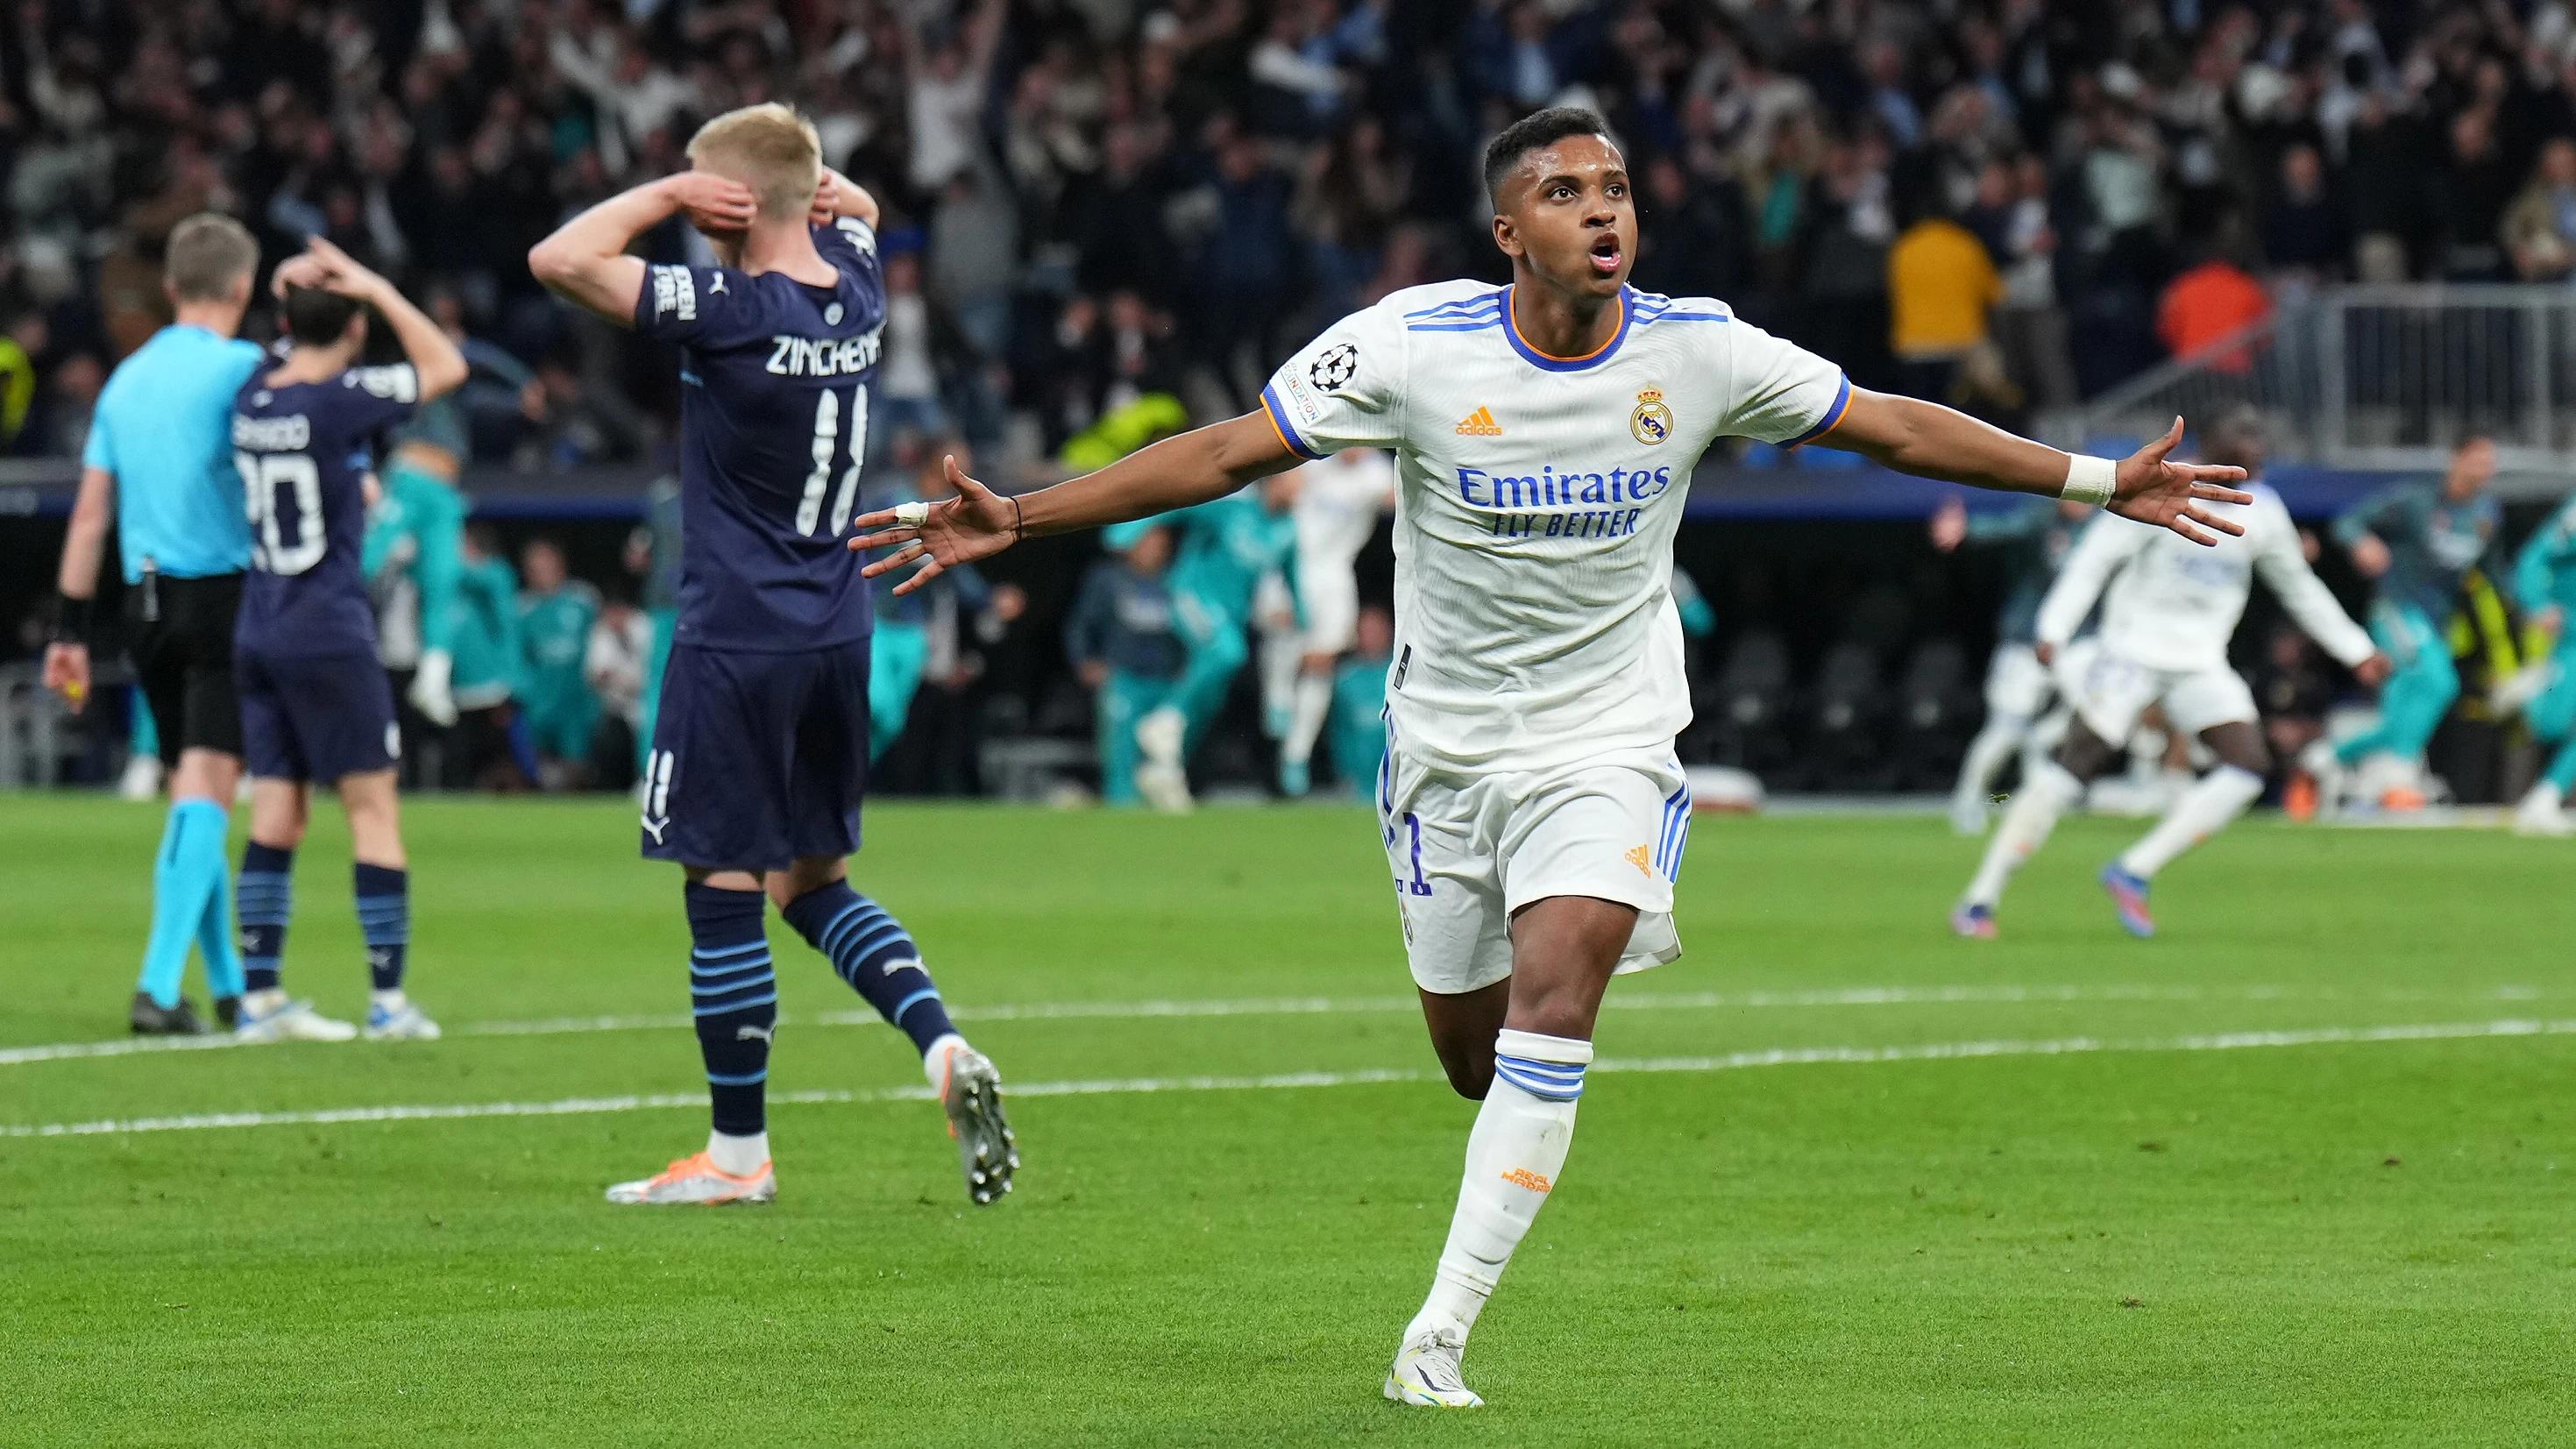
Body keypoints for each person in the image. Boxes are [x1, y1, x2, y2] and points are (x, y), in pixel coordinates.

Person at [852, 107, 2247, 1407]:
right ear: (1506, 231)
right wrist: (1021, 519)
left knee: (1557, 991)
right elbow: (1225, 452)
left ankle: (1436, 1336)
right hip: (1445, 751)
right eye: (1562, 192)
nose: (1601, 211)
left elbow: (1889, 421)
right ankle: (1485, 1149)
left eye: (1616, 189)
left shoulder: (1695, 350)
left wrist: (2090, 479)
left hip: (1610, 739)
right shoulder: (1410, 345)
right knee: (1472, 1056)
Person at [529, 103, 1015, 1208]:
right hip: (837, 626)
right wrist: (815, 189)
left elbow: (559, 259)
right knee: (813, 884)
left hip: (734, 632)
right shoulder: (859, 279)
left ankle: (737, 1156)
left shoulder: (727, 303)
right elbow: (853, 208)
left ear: (726, 204)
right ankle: (941, 1048)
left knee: (724, 886)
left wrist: (660, 195)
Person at [1952, 416, 2389, 938]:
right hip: (2130, 652)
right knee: (2074, 768)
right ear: (2213, 454)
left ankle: (2133, 870)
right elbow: (2094, 560)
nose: (2250, 475)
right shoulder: (2160, 487)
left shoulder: (2265, 514)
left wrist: (2356, 650)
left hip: (2200, 661)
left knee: (2248, 766)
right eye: (2241, 463)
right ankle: (1980, 899)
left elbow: (2300, 588)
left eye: (2256, 464)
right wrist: (2055, 627)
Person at [229, 235, 469, 1043]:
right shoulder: (340, 399)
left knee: (275, 813)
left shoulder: (256, 395)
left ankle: (260, 996)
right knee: (372, 811)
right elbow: (445, 367)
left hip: (258, 624)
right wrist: (378, 287)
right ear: (356, 330)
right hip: (328, 628)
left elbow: (284, 348)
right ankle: (388, 1002)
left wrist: (287, 296)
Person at [40, 214, 266, 1035]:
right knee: (208, 791)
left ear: (171, 289)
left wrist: (67, 632)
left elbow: (91, 514)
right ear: (242, 287)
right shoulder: (247, 369)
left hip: (142, 604)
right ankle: (158, 986)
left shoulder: (124, 380)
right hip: (223, 596)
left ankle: (232, 990)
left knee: (189, 795)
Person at [2309, 435, 2510, 811]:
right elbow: (2348, 521)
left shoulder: (2486, 515)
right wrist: (2362, 542)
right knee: (2440, 681)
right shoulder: (2416, 502)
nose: (2488, 470)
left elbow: (2494, 572)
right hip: (2396, 610)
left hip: (2436, 623)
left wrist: (2531, 604)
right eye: (2480, 460)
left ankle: (2325, 759)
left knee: (2403, 707)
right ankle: (2397, 776)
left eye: (2491, 462)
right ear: (2456, 457)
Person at [1099, 472, 1302, 811]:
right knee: (1228, 653)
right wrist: (1127, 530)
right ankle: (1164, 720)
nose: (1302, 489)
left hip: (1230, 616)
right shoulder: (1233, 508)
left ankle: (1164, 768)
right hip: (1191, 595)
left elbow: (1294, 577)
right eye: (1296, 481)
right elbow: (1177, 508)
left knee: (1211, 697)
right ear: (1275, 483)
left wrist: (1306, 622)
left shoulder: (1287, 531)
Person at [1930, 494, 2096, 834]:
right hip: (2026, 644)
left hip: (2080, 644)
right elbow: (2005, 528)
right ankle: (1969, 799)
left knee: (2096, 715)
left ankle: (2041, 781)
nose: (2085, 502)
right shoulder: (2039, 520)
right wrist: (1966, 530)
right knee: (2005, 730)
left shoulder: (2102, 527)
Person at [868, 441, 1023, 763]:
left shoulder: (951, 513)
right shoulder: (892, 498)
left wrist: (989, 600)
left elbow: (955, 570)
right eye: (959, 463)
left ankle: (850, 778)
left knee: (893, 721)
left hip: (914, 627)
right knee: (876, 702)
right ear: (937, 463)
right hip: (874, 619)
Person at [1277, 445, 1394, 796]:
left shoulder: (1377, 470)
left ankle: (1295, 752)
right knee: (1282, 632)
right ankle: (1279, 700)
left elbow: (1396, 499)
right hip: (1291, 560)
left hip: (1335, 573)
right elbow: (1283, 491)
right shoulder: (1316, 459)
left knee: (1324, 660)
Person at [1064, 525, 1186, 806]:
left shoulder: (1177, 581)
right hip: (1124, 678)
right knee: (1121, 750)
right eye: (1146, 542)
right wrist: (1084, 661)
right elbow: (1080, 624)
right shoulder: (1108, 580)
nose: (1153, 549)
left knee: (1164, 752)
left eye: (1159, 542)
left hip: (1168, 681)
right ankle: (1122, 810)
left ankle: (1161, 810)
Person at [2498, 492, 2576, 835]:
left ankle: (2546, 797)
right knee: (2551, 724)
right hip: (2571, 632)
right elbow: (2534, 557)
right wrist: (2537, 603)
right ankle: (2537, 693)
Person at [451, 524, 536, 789]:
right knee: (465, 757)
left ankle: (532, 789)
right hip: (462, 685)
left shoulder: (497, 573)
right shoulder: (454, 587)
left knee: (509, 754)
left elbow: (480, 580)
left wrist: (440, 558)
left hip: (496, 682)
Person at [517, 537, 600, 786]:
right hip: (539, 699)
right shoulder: (522, 608)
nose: (542, 575)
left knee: (576, 761)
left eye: (547, 566)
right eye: (535, 569)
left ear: (560, 567)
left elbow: (601, 641)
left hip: (576, 698)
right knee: (541, 763)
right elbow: (518, 655)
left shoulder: (583, 600)